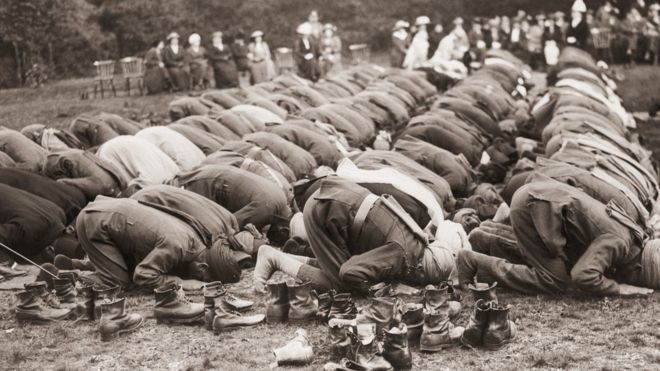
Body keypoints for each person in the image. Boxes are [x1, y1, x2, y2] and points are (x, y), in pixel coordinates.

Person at [252, 176, 461, 294]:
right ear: (422, 269)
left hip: (341, 199)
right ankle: (275, 258)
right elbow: (349, 273)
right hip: (327, 211)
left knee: (342, 265)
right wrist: (386, 288)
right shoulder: (403, 254)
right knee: (341, 285)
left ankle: (280, 258)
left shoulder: (418, 238)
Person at [457, 179, 660, 296]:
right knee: (554, 280)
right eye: (638, 279)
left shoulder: (632, 239)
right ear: (639, 268)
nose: (630, 278)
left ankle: (487, 240)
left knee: (561, 264)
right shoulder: (620, 243)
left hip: (540, 202)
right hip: (534, 207)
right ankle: (474, 261)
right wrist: (619, 289)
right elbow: (583, 276)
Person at [76, 196, 243, 290]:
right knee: (118, 284)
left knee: (128, 270)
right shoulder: (178, 246)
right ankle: (74, 276)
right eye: (205, 279)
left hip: (108, 211)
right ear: (202, 267)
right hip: (94, 220)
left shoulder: (196, 241)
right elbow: (143, 276)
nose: (202, 281)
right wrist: (183, 283)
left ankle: (88, 264)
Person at [171, 164, 292, 243]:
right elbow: (230, 225)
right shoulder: (266, 209)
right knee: (199, 222)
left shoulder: (281, 197)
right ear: (282, 228)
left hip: (215, 173)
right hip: (207, 182)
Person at [43, 149, 128, 200]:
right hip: (59, 161)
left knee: (61, 183)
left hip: (63, 158)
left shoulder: (106, 186)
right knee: (61, 184)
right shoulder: (107, 186)